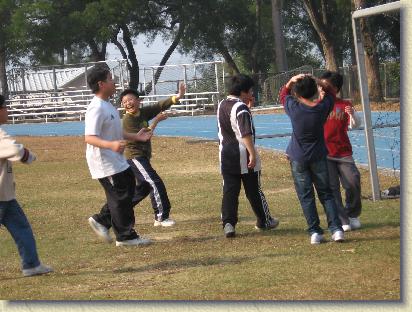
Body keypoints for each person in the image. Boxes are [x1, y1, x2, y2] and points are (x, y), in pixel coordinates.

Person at [97, 84, 186, 229]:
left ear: (138, 101)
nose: (128, 103)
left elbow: (159, 105)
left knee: (138, 190)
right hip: (134, 157)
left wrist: (178, 96)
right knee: (154, 182)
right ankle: (161, 217)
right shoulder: (127, 120)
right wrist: (156, 120)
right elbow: (144, 136)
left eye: (131, 100)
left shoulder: (143, 112)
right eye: (125, 102)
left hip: (141, 157)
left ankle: (104, 218)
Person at [84, 65, 153, 247]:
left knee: (132, 188)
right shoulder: (96, 108)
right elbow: (89, 137)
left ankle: (102, 219)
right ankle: (125, 236)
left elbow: (114, 131)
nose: (114, 82)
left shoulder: (108, 105)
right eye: (110, 79)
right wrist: (111, 145)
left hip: (117, 160)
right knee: (120, 196)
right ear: (101, 84)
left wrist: (134, 136)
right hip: (105, 161)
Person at [279, 74, 344, 244]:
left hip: (298, 157)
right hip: (318, 156)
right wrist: (318, 80)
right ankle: (336, 229)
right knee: (326, 193)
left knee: (306, 195)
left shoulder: (294, 108)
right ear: (315, 91)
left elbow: (283, 95)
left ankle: (315, 231)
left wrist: (291, 80)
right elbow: (331, 93)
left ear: (297, 93)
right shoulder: (322, 108)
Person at [217, 74, 279, 238]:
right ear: (243, 91)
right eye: (250, 90)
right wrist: (252, 153)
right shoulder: (241, 108)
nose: (252, 92)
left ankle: (228, 223)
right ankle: (264, 220)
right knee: (254, 190)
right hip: (242, 155)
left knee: (230, 190)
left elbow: (232, 125)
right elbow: (245, 133)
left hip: (226, 155)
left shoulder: (222, 104)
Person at [0, 94, 53, 276]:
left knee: (22, 227)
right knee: (22, 228)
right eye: (5, 106)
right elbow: (15, 150)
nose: (7, 110)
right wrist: (29, 156)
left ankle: (31, 264)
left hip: (6, 195)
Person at [320, 71, 362, 232]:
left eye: (326, 87)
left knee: (353, 181)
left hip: (343, 152)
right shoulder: (317, 105)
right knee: (332, 188)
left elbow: (355, 125)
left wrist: (352, 115)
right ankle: (341, 219)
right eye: (321, 86)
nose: (323, 90)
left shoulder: (344, 104)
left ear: (335, 89)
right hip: (324, 153)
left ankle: (352, 214)